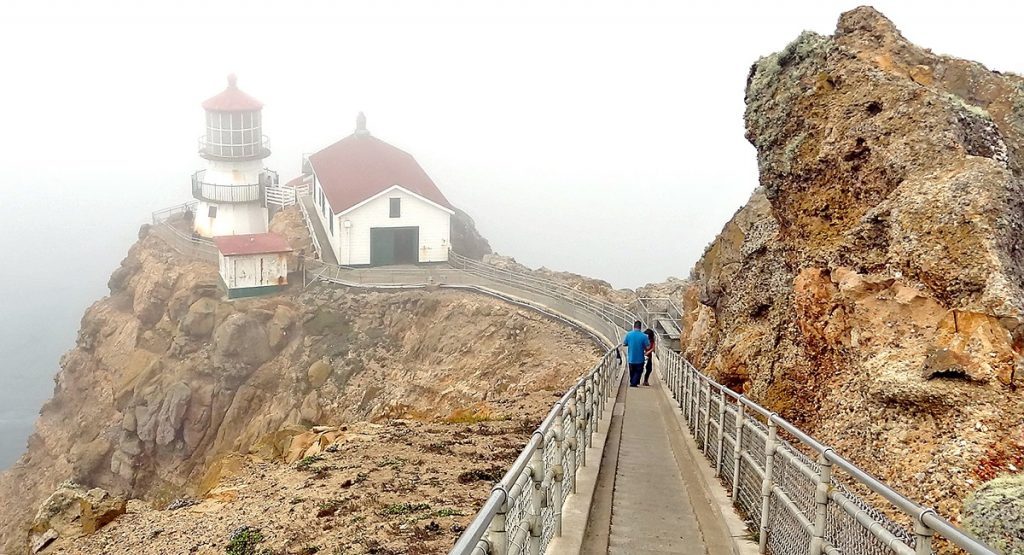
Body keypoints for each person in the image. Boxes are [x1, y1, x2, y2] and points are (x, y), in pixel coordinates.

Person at [622, 320, 651, 388]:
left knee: (632, 372)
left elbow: (624, 343)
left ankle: (633, 382)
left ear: (634, 326)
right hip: (640, 358)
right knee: (639, 371)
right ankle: (634, 383)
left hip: (631, 358)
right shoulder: (644, 336)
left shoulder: (629, 334)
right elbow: (648, 346)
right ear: (640, 327)